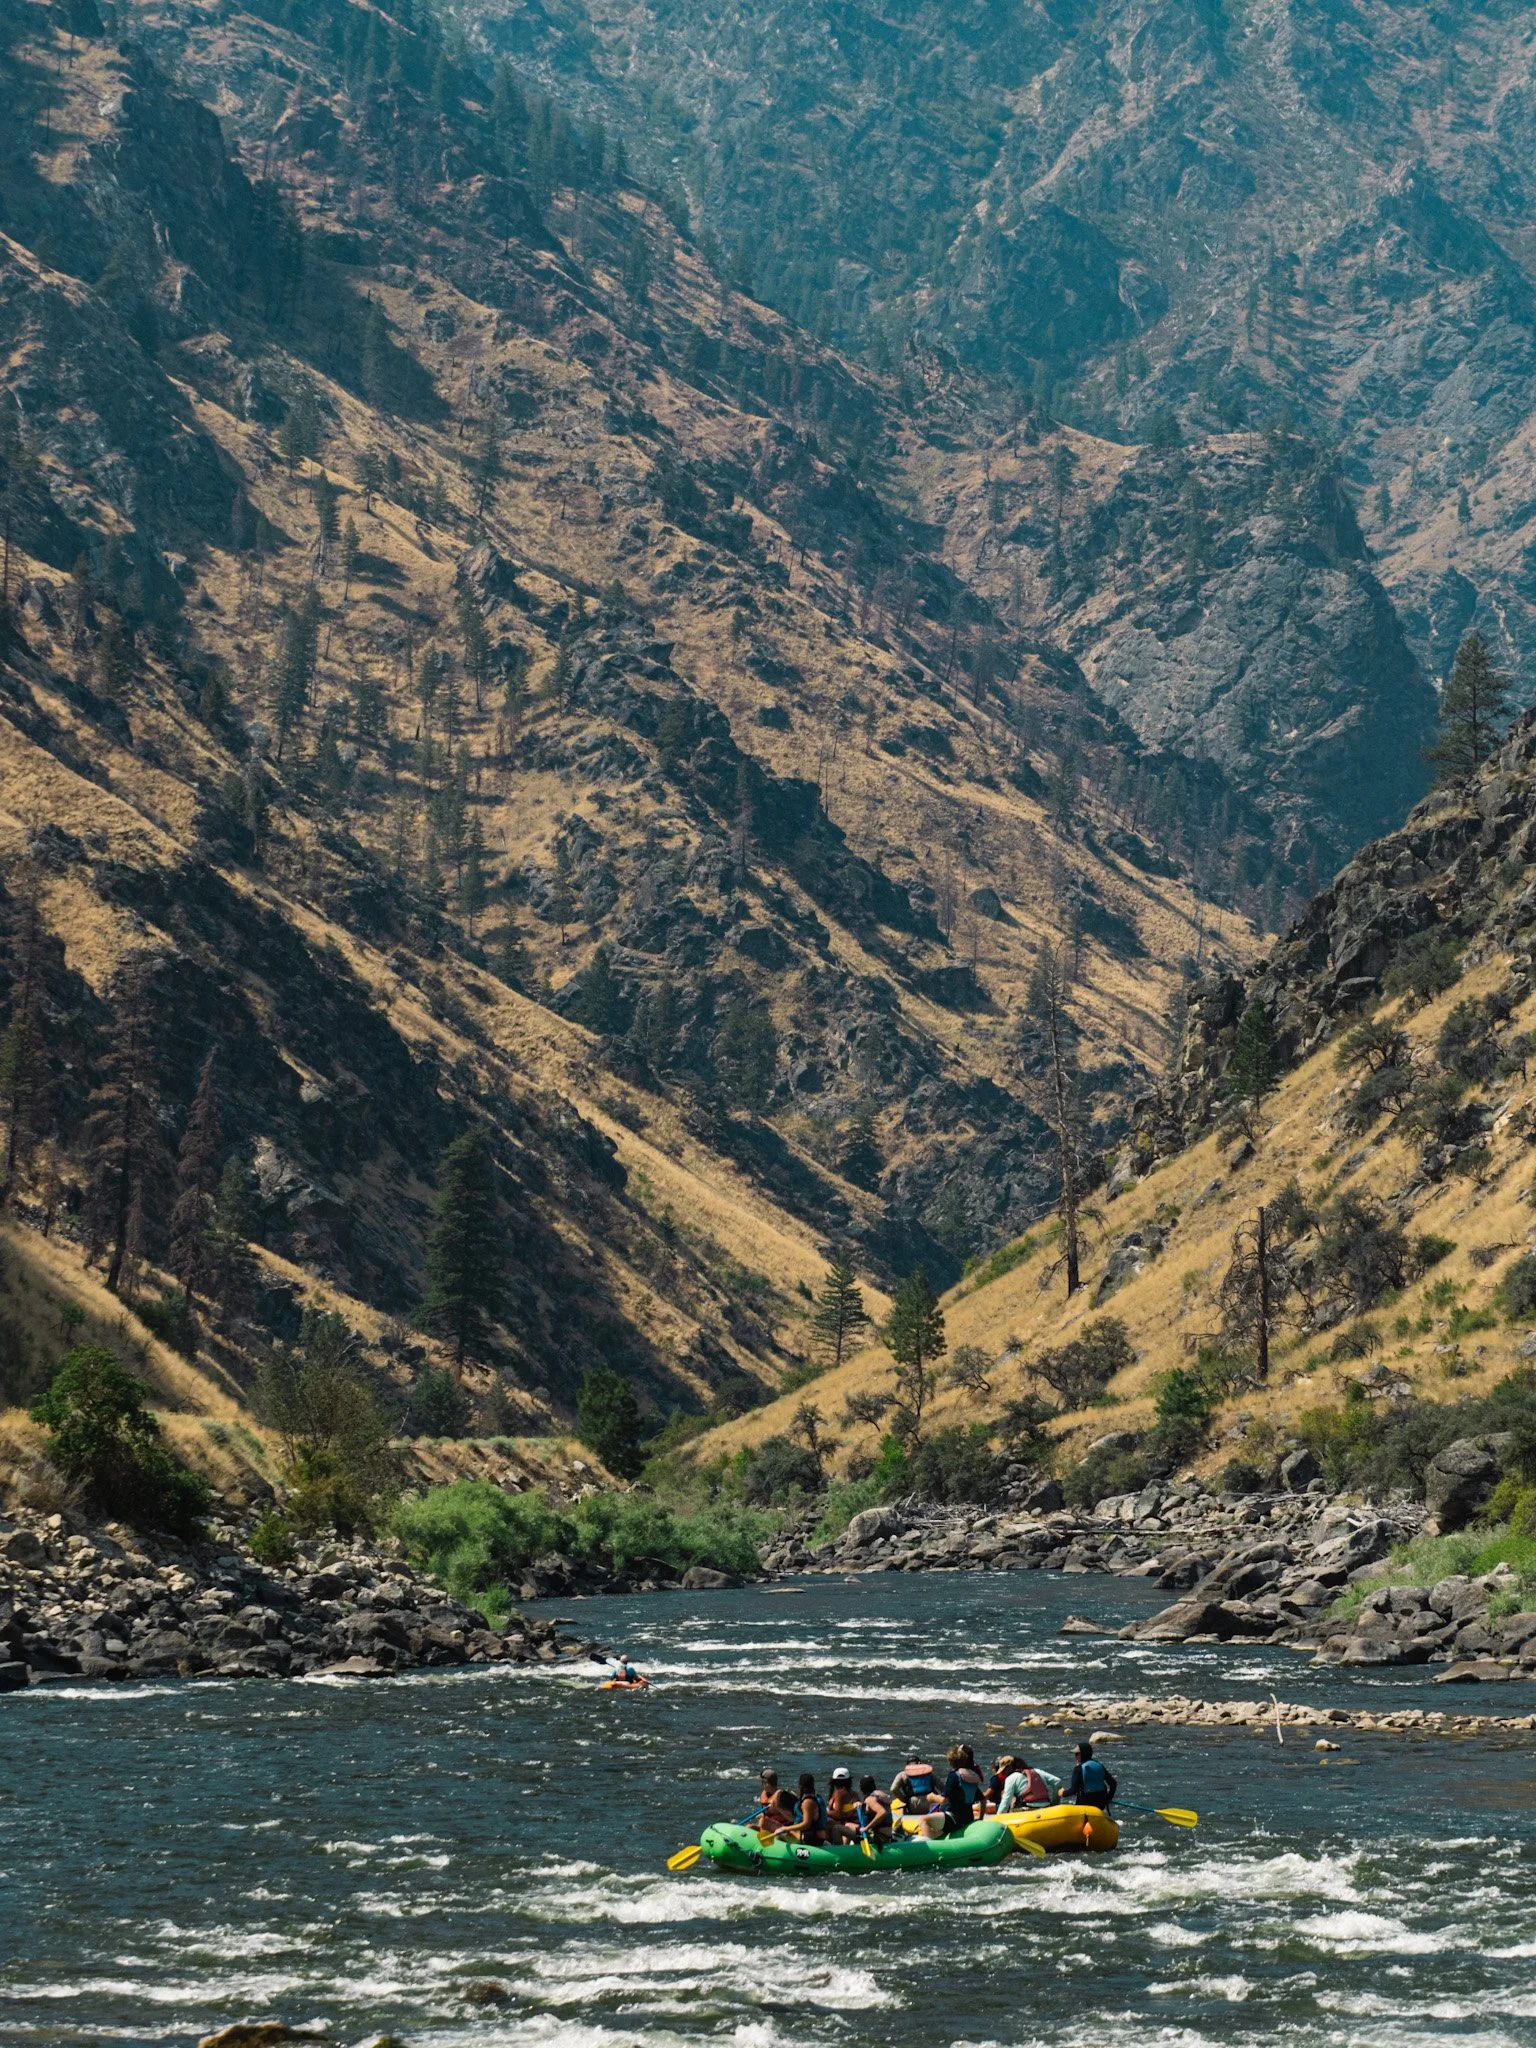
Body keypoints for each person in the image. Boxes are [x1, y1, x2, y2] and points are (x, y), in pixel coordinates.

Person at [942, 1743, 986, 1833]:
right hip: (968, 1818)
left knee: (925, 1820)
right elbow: (983, 1799)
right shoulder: (971, 1776)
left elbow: (944, 1800)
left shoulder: (954, 1776)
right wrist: (980, 1818)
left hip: (953, 1819)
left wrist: (931, 1797)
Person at [994, 1754, 1062, 1811]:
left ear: (1010, 1767)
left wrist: (998, 1817)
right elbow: (1057, 1781)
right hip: (1046, 1806)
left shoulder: (1011, 1778)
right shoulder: (1037, 1771)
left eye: (1004, 1770)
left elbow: (1005, 1802)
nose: (1003, 1773)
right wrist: (1055, 1803)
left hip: (1027, 1809)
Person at [1063, 1741, 1117, 1810]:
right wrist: (1108, 1798)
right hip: (1100, 1804)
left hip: (1084, 1804)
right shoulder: (1099, 1765)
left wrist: (1063, 1793)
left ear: (1083, 1754)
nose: (1075, 1756)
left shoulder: (1078, 1769)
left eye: (1077, 1754)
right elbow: (1113, 1783)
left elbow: (1073, 1790)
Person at [824, 1766, 859, 1843]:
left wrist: (823, 1812)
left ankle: (827, 1845)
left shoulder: (839, 1793)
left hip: (843, 1823)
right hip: (849, 1823)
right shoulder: (854, 1793)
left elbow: (838, 1814)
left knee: (826, 1821)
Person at [856, 1775, 893, 1846]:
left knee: (844, 1828)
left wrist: (867, 1828)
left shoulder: (869, 1800)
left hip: (879, 1837)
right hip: (888, 1835)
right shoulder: (881, 1794)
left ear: (862, 1788)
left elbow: (882, 1812)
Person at [790, 1771, 825, 1845]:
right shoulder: (817, 1799)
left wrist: (785, 1828)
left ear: (800, 1786)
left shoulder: (807, 1802)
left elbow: (806, 1824)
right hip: (817, 1836)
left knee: (785, 1832)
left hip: (812, 1838)